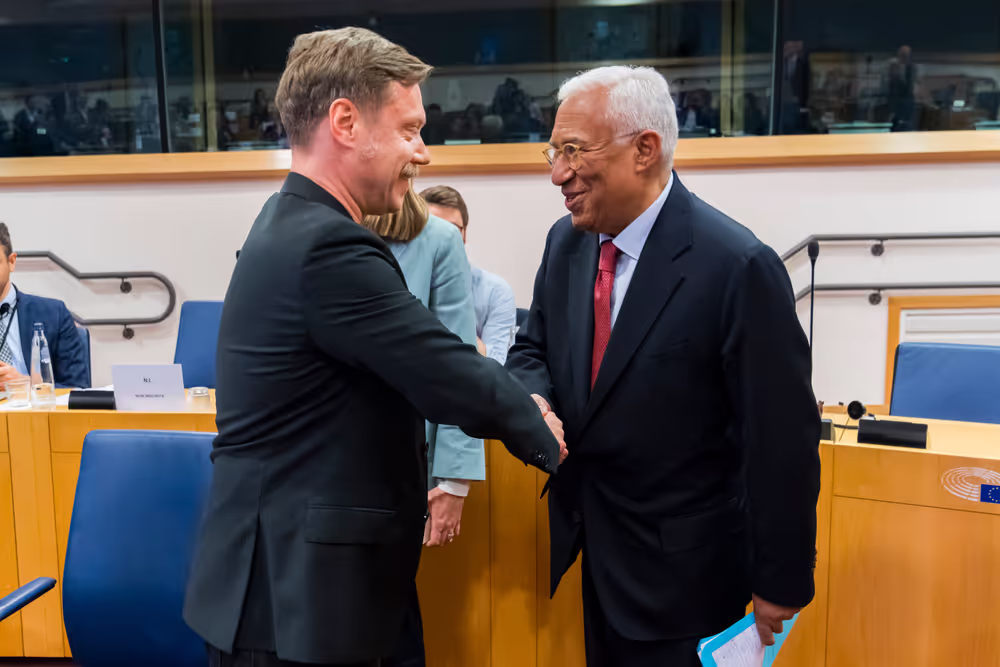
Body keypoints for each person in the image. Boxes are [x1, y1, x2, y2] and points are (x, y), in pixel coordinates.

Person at [182, 27, 566, 667]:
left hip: (299, 589)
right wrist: (540, 424)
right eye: (411, 129)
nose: (424, 154)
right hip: (297, 605)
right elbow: (438, 365)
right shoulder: (327, 246)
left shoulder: (287, 225)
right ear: (345, 122)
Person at [506, 65, 820, 667]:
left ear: (644, 150)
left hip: (691, 586)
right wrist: (535, 398)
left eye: (574, 150)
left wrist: (781, 581)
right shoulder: (566, 243)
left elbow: (782, 440)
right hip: (596, 560)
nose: (557, 173)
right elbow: (532, 349)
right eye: (553, 150)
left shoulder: (736, 266)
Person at [363, 185, 482, 667]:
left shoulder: (436, 240)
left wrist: (453, 479)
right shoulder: (315, 230)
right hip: (319, 472)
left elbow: (456, 367)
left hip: (398, 471)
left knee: (391, 629)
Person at [420, 185, 516, 365]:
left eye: (451, 230)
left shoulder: (495, 291)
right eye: (431, 229)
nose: (442, 240)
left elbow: (496, 364)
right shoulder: (400, 284)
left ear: (464, 234)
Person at [0, 223, 89, 389]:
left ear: (11, 262)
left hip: (34, 412)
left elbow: (77, 388)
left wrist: (27, 384)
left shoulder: (55, 314)